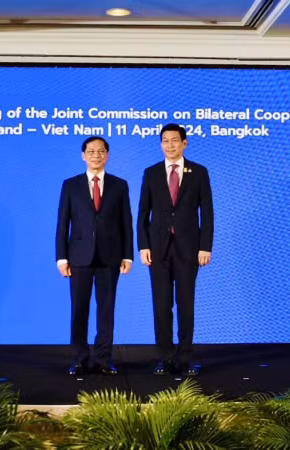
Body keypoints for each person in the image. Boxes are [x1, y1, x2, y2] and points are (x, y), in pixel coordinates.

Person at [137, 123, 213, 376]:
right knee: (161, 305)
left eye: (174, 140)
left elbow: (208, 213)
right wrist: (143, 245)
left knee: (185, 304)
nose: (169, 145)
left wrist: (205, 247)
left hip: (189, 249)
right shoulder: (150, 173)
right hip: (157, 250)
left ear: (184, 143)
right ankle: (165, 358)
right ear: (161, 144)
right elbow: (142, 213)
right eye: (165, 141)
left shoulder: (199, 172)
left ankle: (186, 358)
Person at [55, 136, 133, 376]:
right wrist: (61, 257)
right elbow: (62, 223)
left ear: (107, 155)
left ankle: (103, 359)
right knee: (79, 309)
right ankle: (79, 358)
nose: (96, 155)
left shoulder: (120, 185)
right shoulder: (70, 185)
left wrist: (127, 256)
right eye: (91, 151)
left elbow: (126, 223)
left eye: (101, 151)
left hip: (110, 257)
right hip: (78, 257)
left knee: (106, 310)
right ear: (83, 155)